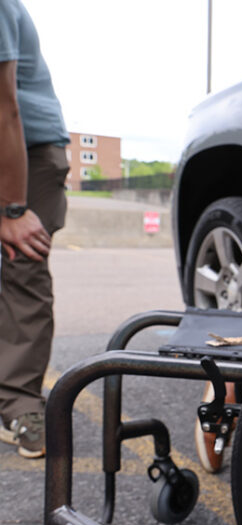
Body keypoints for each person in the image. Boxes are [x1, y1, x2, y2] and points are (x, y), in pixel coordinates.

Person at [0, 0, 69, 459]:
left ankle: (20, 405)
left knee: (20, 265)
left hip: (25, 146)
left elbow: (4, 107)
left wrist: (12, 208)